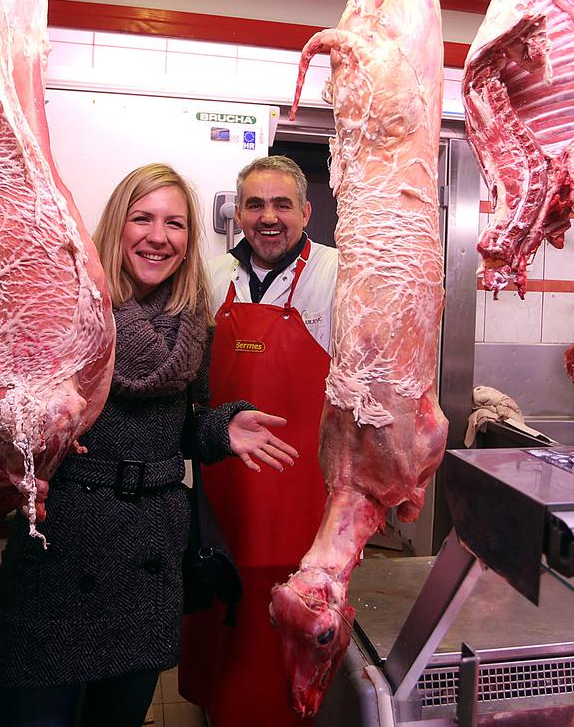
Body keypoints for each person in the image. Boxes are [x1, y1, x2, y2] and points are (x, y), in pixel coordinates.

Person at [0, 163, 298, 727]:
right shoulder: (67, 307)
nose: (159, 236)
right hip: (62, 544)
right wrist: (25, 428)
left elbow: (180, 428)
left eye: (175, 223)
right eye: (143, 218)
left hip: (148, 552)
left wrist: (219, 429)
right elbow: (2, 413)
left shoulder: (190, 320)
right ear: (116, 226)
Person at [180, 155, 339, 726]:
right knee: (226, 611)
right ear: (237, 212)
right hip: (223, 491)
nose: (268, 217)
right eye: (255, 204)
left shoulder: (339, 274)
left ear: (306, 212)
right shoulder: (209, 276)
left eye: (281, 205)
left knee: (298, 617)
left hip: (304, 491)